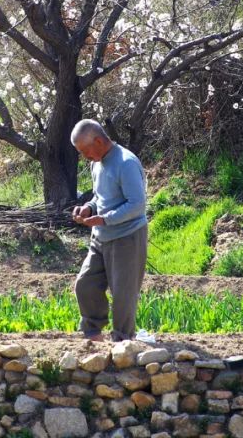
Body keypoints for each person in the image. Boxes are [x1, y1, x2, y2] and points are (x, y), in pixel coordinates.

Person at [70, 119, 148, 342]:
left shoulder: (126, 163)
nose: (84, 156)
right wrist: (88, 208)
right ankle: (93, 333)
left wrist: (104, 219)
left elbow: (137, 204)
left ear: (98, 141)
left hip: (127, 237)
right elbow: (101, 197)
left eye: (85, 150)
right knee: (85, 285)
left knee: (123, 296)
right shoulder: (97, 162)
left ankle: (123, 342)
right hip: (101, 237)